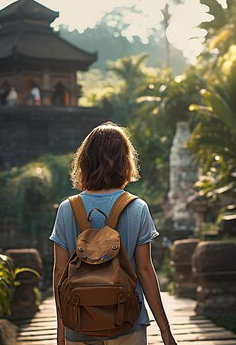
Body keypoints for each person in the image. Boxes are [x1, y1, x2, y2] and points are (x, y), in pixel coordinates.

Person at [49, 122, 178, 345]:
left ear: (85, 161)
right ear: (124, 161)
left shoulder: (67, 209)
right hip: (127, 324)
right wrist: (165, 331)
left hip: (79, 324)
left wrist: (61, 334)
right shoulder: (137, 208)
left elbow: (60, 273)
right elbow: (145, 270)